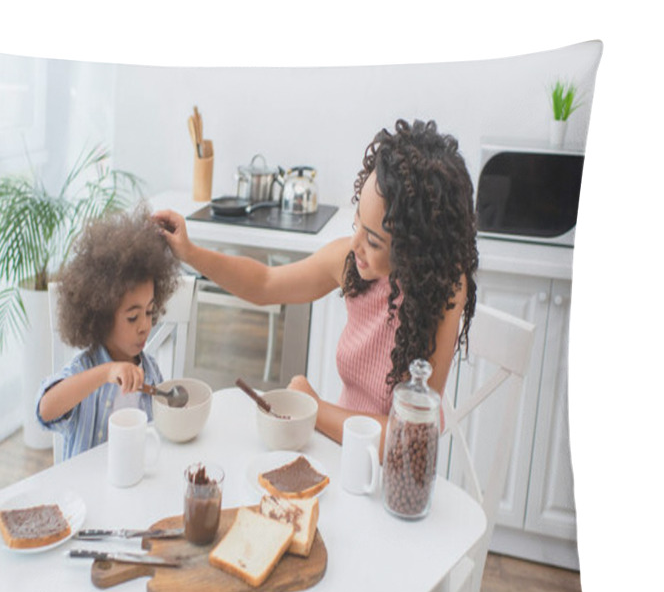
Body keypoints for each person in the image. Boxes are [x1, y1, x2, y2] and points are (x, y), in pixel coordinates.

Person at [152, 119, 478, 452]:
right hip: (339, 454)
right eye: (357, 224)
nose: (355, 245)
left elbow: (407, 439)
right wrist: (190, 253)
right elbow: (264, 284)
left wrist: (314, 407)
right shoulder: (352, 265)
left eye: (375, 241)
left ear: (415, 249)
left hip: (396, 482)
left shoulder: (444, 292)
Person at [36, 205, 182, 460]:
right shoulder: (85, 368)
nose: (144, 325)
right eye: (132, 317)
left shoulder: (151, 371)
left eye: (149, 312)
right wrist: (106, 372)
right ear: (101, 316)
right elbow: (45, 410)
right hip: (84, 494)